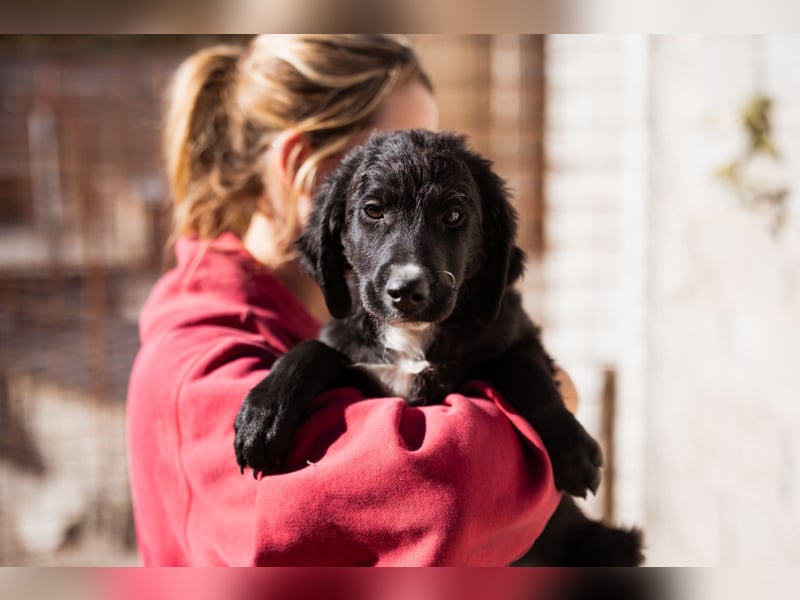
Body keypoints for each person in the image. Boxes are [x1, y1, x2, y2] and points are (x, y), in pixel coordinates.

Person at [127, 34, 574, 566]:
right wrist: (549, 409)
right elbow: (441, 495)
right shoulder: (204, 369)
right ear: (303, 168)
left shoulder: (310, 316)